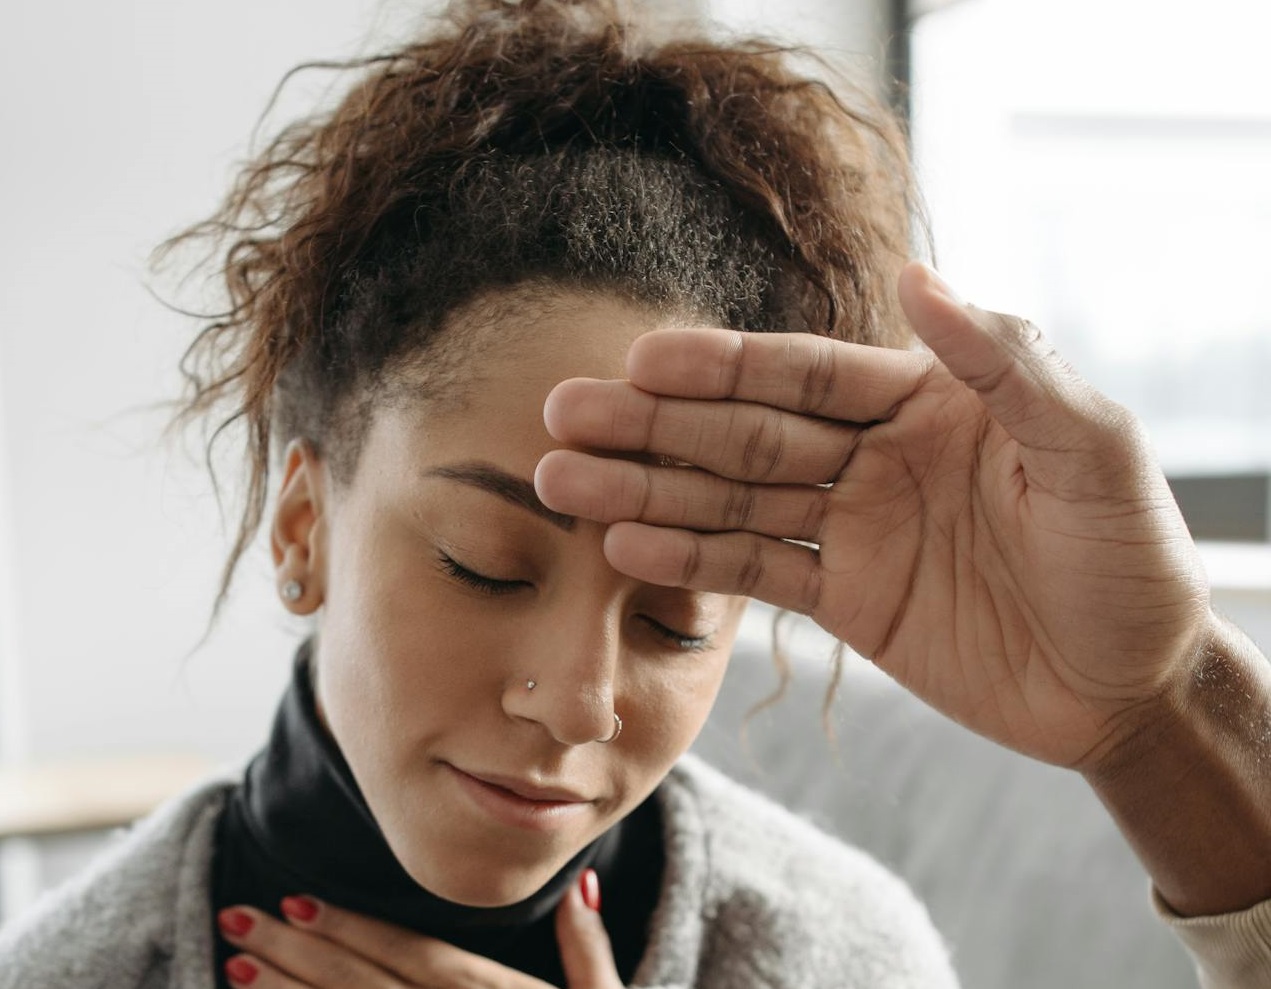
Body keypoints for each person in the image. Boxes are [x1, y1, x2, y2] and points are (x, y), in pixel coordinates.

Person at [1, 1, 1268, 988]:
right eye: (487, 563)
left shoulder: (835, 952)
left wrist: (1157, 704)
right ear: (301, 525)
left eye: (674, 617)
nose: (582, 699)